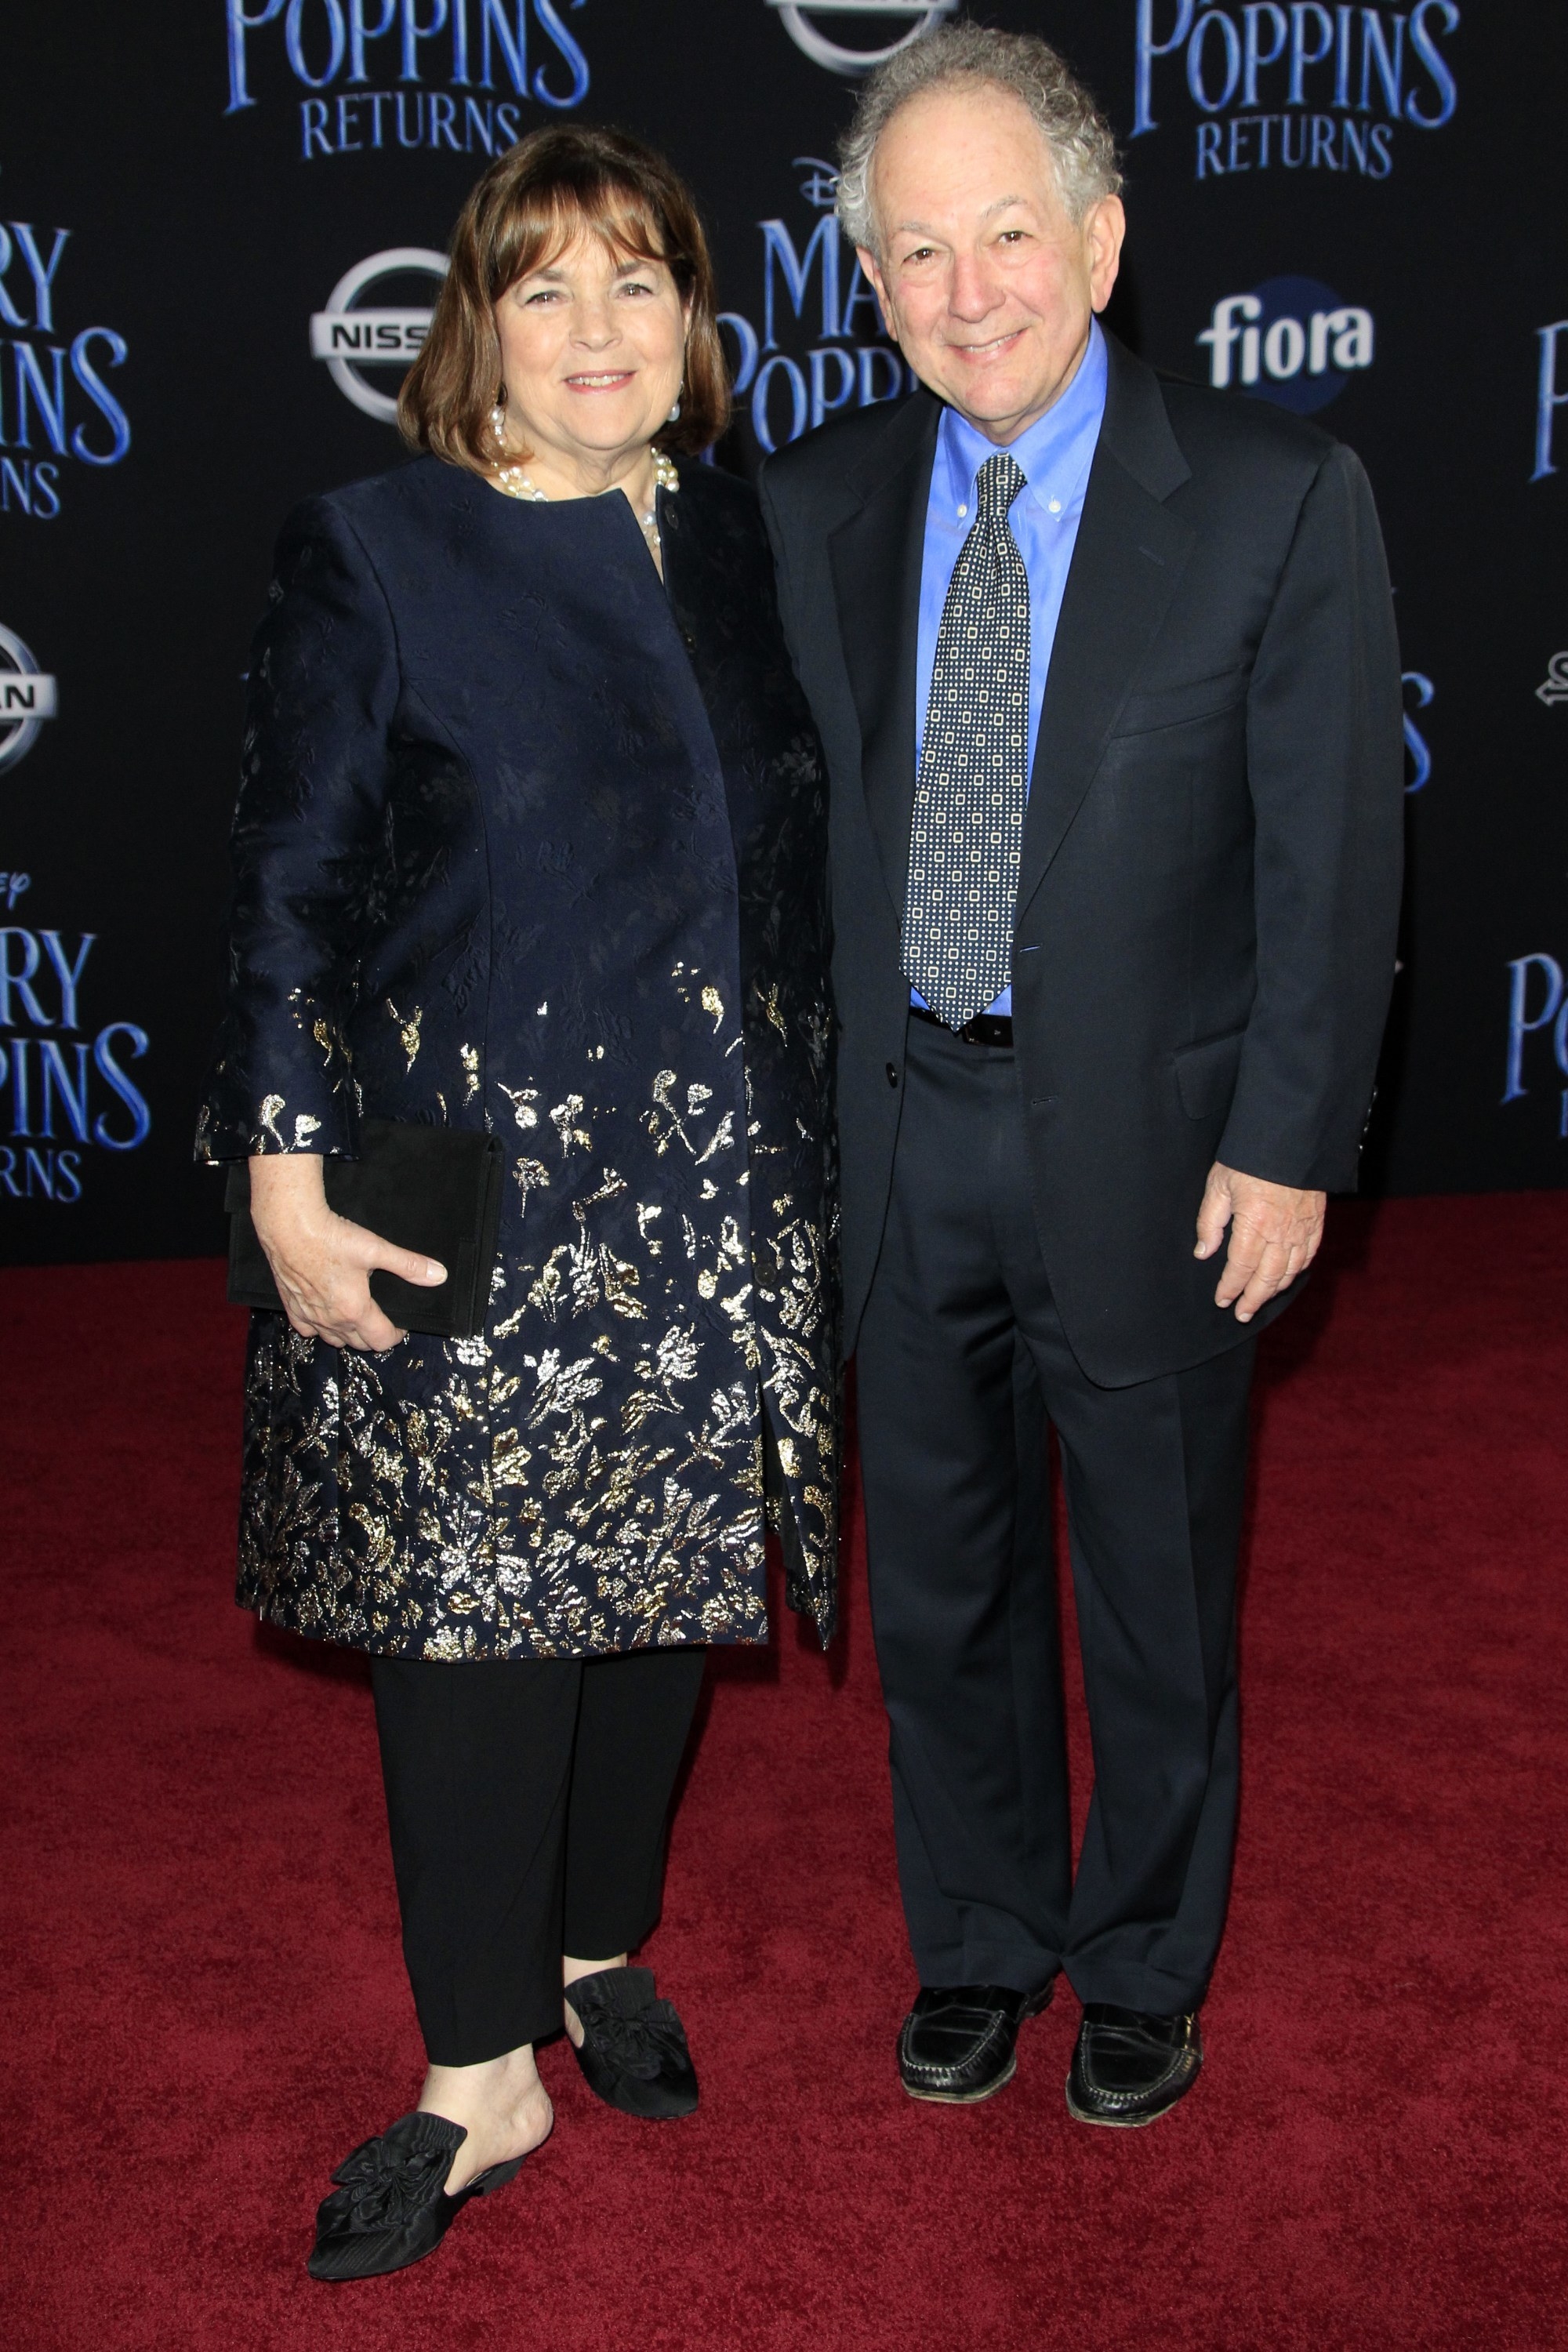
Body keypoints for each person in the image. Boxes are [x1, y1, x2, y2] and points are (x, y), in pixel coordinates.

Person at [196, 123, 837, 2279]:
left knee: (659, 1600)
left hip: (709, 1182)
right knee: (471, 1628)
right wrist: (282, 1169)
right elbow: (287, 882)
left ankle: (593, 1946)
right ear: (478, 316)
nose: (597, 327)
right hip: (472, 1172)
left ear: (696, 321)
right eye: (548, 284)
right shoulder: (382, 547)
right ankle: (480, 2073)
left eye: (639, 281)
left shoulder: (741, 535)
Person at [760, 24, 1402, 2129]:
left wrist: (1294, 1140)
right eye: (916, 252)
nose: (970, 291)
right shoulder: (813, 508)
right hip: (902, 1138)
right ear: (870, 287)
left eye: (1009, 233)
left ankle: (1142, 1957)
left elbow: (1330, 857)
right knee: (941, 1589)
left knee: (1151, 1583)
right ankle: (983, 1943)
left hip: (1157, 1144)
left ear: (1103, 240)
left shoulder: (1280, 501)